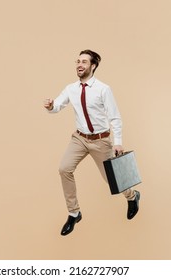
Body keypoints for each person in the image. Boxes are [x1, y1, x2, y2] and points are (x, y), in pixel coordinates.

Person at [43, 49, 141, 236]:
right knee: (64, 169)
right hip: (79, 139)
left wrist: (118, 142)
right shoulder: (70, 88)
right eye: (78, 61)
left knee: (112, 180)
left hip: (101, 140)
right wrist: (50, 106)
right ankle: (74, 213)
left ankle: (132, 196)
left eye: (84, 62)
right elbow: (57, 106)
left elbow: (115, 118)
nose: (79, 65)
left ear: (93, 66)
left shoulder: (103, 89)